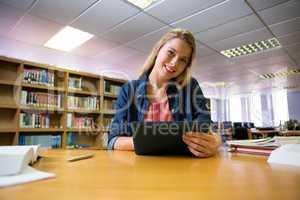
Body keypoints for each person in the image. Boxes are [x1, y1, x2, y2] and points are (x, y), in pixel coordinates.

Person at [107, 28, 221, 157]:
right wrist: (153, 143)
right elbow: (113, 140)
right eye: (171, 52)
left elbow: (208, 126)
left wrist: (216, 141)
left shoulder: (190, 87)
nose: (174, 63)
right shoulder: (128, 90)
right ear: (158, 50)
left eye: (183, 60)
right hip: (139, 170)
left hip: (183, 170)